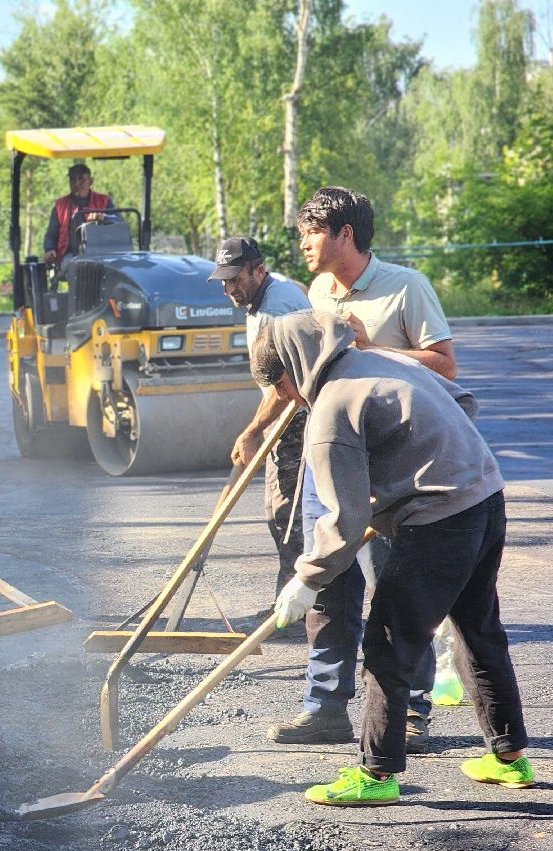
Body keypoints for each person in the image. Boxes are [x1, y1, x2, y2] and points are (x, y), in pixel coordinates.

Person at [254, 310, 533, 806]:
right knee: (477, 629)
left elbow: (342, 517)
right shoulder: (377, 358)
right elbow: (461, 402)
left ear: (294, 367)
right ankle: (508, 755)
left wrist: (306, 579)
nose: (284, 399)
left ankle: (376, 772)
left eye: (280, 385)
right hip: (485, 495)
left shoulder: (330, 412)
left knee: (387, 643)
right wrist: (410, 476)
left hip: (440, 519)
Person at [268, 186, 455, 751]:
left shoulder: (406, 287)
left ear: (344, 234)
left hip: (390, 473)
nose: (302, 244)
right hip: (331, 458)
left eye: (312, 232)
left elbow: (445, 367)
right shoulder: (317, 291)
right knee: (326, 584)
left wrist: (374, 349)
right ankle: (325, 706)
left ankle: (411, 712)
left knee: (394, 590)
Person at [208, 235, 311, 597]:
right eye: (224, 280)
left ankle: (300, 608)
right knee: (276, 510)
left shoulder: (274, 312)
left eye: (235, 279)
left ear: (258, 270)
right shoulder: (268, 290)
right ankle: (292, 600)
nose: (228, 289)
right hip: (284, 417)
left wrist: (252, 432)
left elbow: (282, 388)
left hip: (297, 417)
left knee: (289, 515)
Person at [42, 163, 115, 266]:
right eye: (73, 180)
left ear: (90, 181)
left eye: (81, 179)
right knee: (74, 265)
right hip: (70, 254)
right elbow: (51, 234)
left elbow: (118, 222)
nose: (77, 183)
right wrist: (49, 249)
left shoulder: (104, 201)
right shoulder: (60, 206)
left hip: (101, 253)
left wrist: (104, 218)